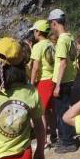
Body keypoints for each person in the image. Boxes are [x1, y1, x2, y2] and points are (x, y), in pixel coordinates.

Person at [48, 8, 77, 153]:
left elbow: (63, 63)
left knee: (62, 112)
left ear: (54, 23)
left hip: (63, 81)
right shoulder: (70, 38)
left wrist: (57, 85)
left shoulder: (62, 41)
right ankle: (66, 137)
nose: (51, 29)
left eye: (50, 25)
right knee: (66, 109)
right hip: (70, 79)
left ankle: (68, 141)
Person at [30, 20, 57, 148]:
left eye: (34, 31)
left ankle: (43, 141)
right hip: (53, 79)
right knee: (49, 110)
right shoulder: (51, 45)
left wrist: (31, 83)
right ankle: (54, 135)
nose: (33, 33)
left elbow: (35, 67)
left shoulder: (37, 46)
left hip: (44, 81)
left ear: (38, 32)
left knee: (40, 112)